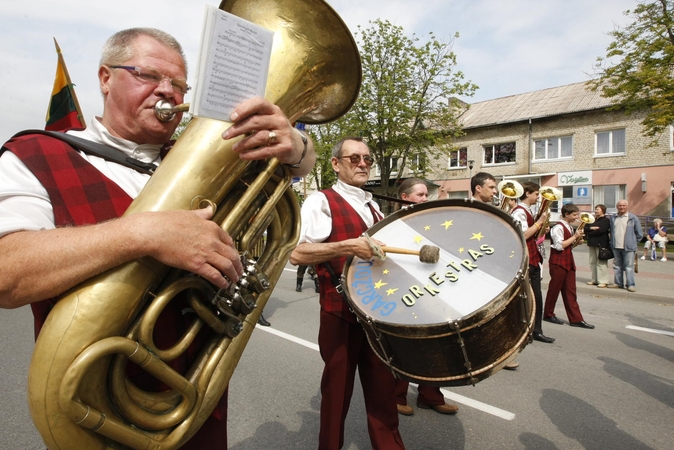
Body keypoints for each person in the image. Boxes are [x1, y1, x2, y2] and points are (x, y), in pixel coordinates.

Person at [0, 28, 315, 449]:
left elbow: (297, 169)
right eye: (148, 75)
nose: (168, 93)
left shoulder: (211, 158)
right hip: (89, 412)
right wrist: (140, 234)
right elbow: (7, 274)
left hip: (192, 398)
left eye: (180, 85)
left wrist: (293, 144)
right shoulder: (35, 154)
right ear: (106, 78)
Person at [289, 137, 405, 450]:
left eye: (367, 158)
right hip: (340, 311)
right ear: (336, 164)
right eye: (354, 158)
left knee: (384, 391)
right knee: (337, 392)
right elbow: (297, 254)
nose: (363, 164)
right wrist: (345, 246)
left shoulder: (373, 206)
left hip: (379, 315)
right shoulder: (320, 201)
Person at [393, 178, 459, 416]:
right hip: (406, 292)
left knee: (434, 345)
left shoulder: (426, 219)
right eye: (420, 195)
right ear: (405, 198)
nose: (425, 198)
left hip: (433, 289)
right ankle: (396, 396)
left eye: (425, 195)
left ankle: (430, 395)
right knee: (405, 347)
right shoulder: (394, 224)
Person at [470, 172, 520, 369]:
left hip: (490, 268)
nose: (495, 192)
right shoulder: (467, 209)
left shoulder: (491, 210)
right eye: (491, 187)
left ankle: (496, 355)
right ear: (478, 188)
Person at [510, 181, 555, 344]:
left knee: (536, 296)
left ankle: (536, 330)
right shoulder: (519, 211)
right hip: (527, 258)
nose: (538, 197)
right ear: (527, 193)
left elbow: (534, 234)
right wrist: (539, 223)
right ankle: (529, 330)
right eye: (536, 194)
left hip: (534, 257)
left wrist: (542, 228)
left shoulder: (527, 210)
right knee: (529, 297)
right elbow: (523, 235)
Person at [543, 203, 595, 329]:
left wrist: (577, 241)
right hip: (558, 263)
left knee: (571, 292)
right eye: (575, 215)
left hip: (568, 262)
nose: (577, 217)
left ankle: (576, 319)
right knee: (554, 290)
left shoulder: (569, 227)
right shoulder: (557, 228)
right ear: (566, 215)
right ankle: (548, 314)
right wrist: (575, 237)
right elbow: (560, 246)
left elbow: (569, 245)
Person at [608, 200, 644, 292]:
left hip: (628, 247)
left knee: (629, 266)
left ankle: (630, 284)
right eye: (620, 205)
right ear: (617, 207)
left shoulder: (632, 218)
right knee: (617, 266)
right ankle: (618, 283)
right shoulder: (613, 218)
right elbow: (611, 231)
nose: (622, 207)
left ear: (627, 206)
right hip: (616, 246)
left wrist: (633, 243)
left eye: (623, 205)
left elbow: (639, 233)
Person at [584, 204, 611, 287]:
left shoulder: (606, 220)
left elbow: (601, 230)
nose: (596, 211)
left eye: (597, 209)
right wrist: (592, 228)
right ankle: (594, 279)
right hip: (592, 243)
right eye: (595, 209)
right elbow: (585, 228)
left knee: (601, 263)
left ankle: (603, 280)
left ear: (602, 210)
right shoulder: (592, 220)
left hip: (601, 243)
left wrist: (590, 232)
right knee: (592, 262)